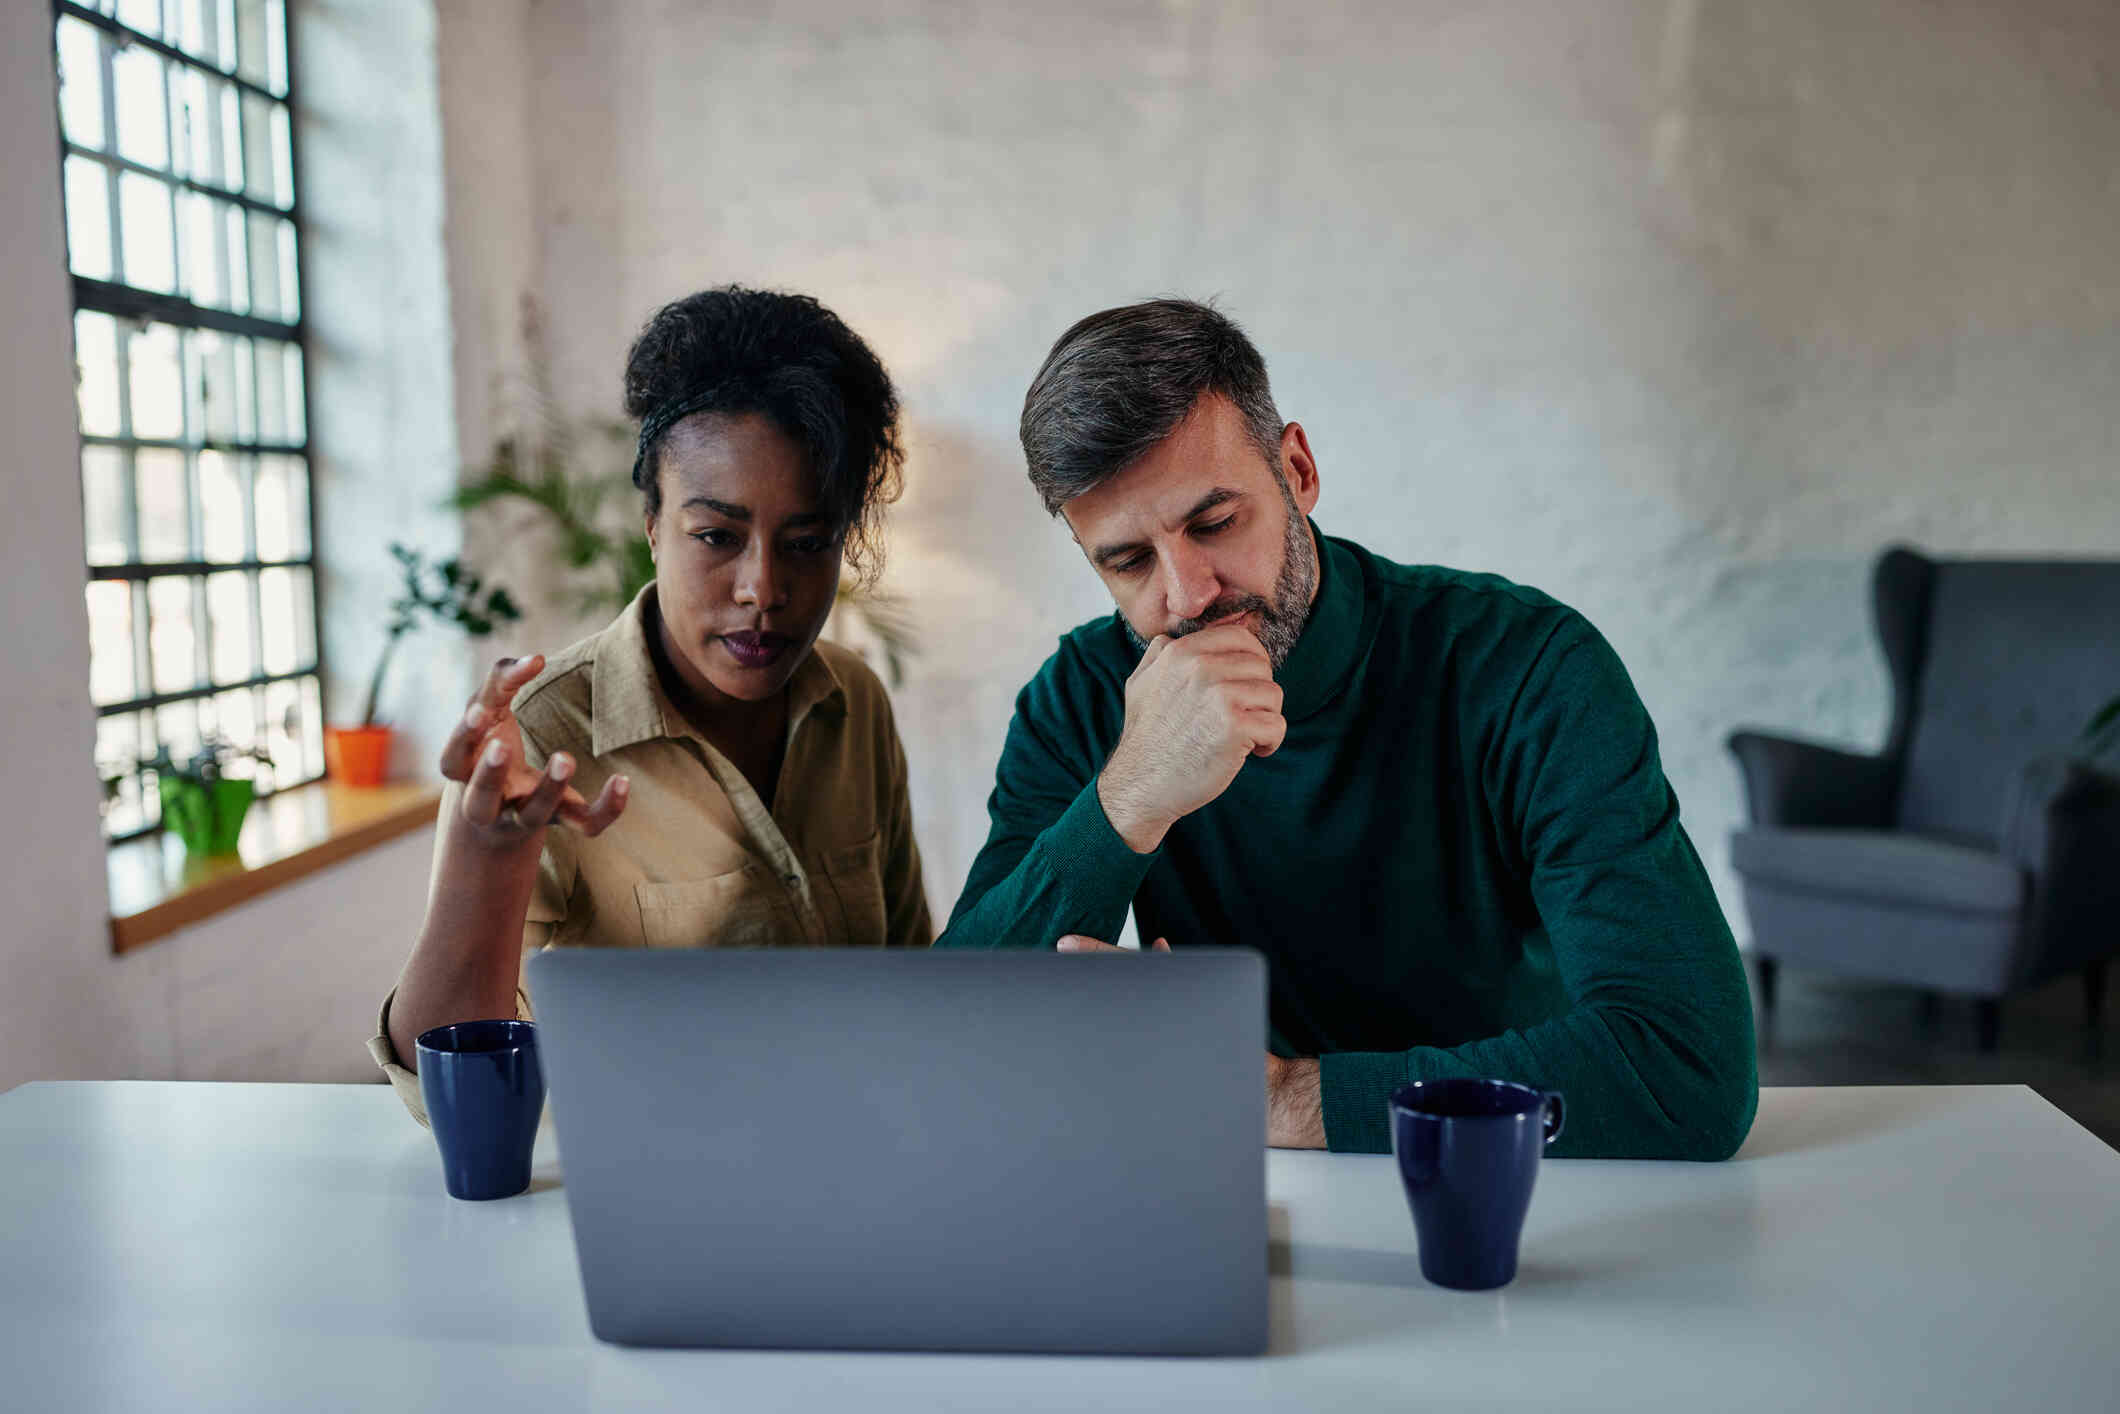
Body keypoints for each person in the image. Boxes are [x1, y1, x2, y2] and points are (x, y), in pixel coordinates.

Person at [936, 298, 1756, 1159]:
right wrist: (1128, 797)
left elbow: (1688, 1067)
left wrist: (1283, 1098)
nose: (1187, 597)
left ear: (1297, 471)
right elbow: (948, 1045)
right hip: (1246, 1201)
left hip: (1521, 1182)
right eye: (1129, 561)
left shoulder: (1528, 668)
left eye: (1214, 524)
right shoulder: (1076, 703)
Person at [370, 287, 932, 1121]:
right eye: (717, 536)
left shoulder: (853, 700)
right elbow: (437, 1098)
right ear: (651, 525)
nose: (763, 590)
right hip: (643, 1199)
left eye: (808, 544)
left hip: (856, 1169)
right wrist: (485, 860)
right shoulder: (543, 738)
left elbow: (909, 988)